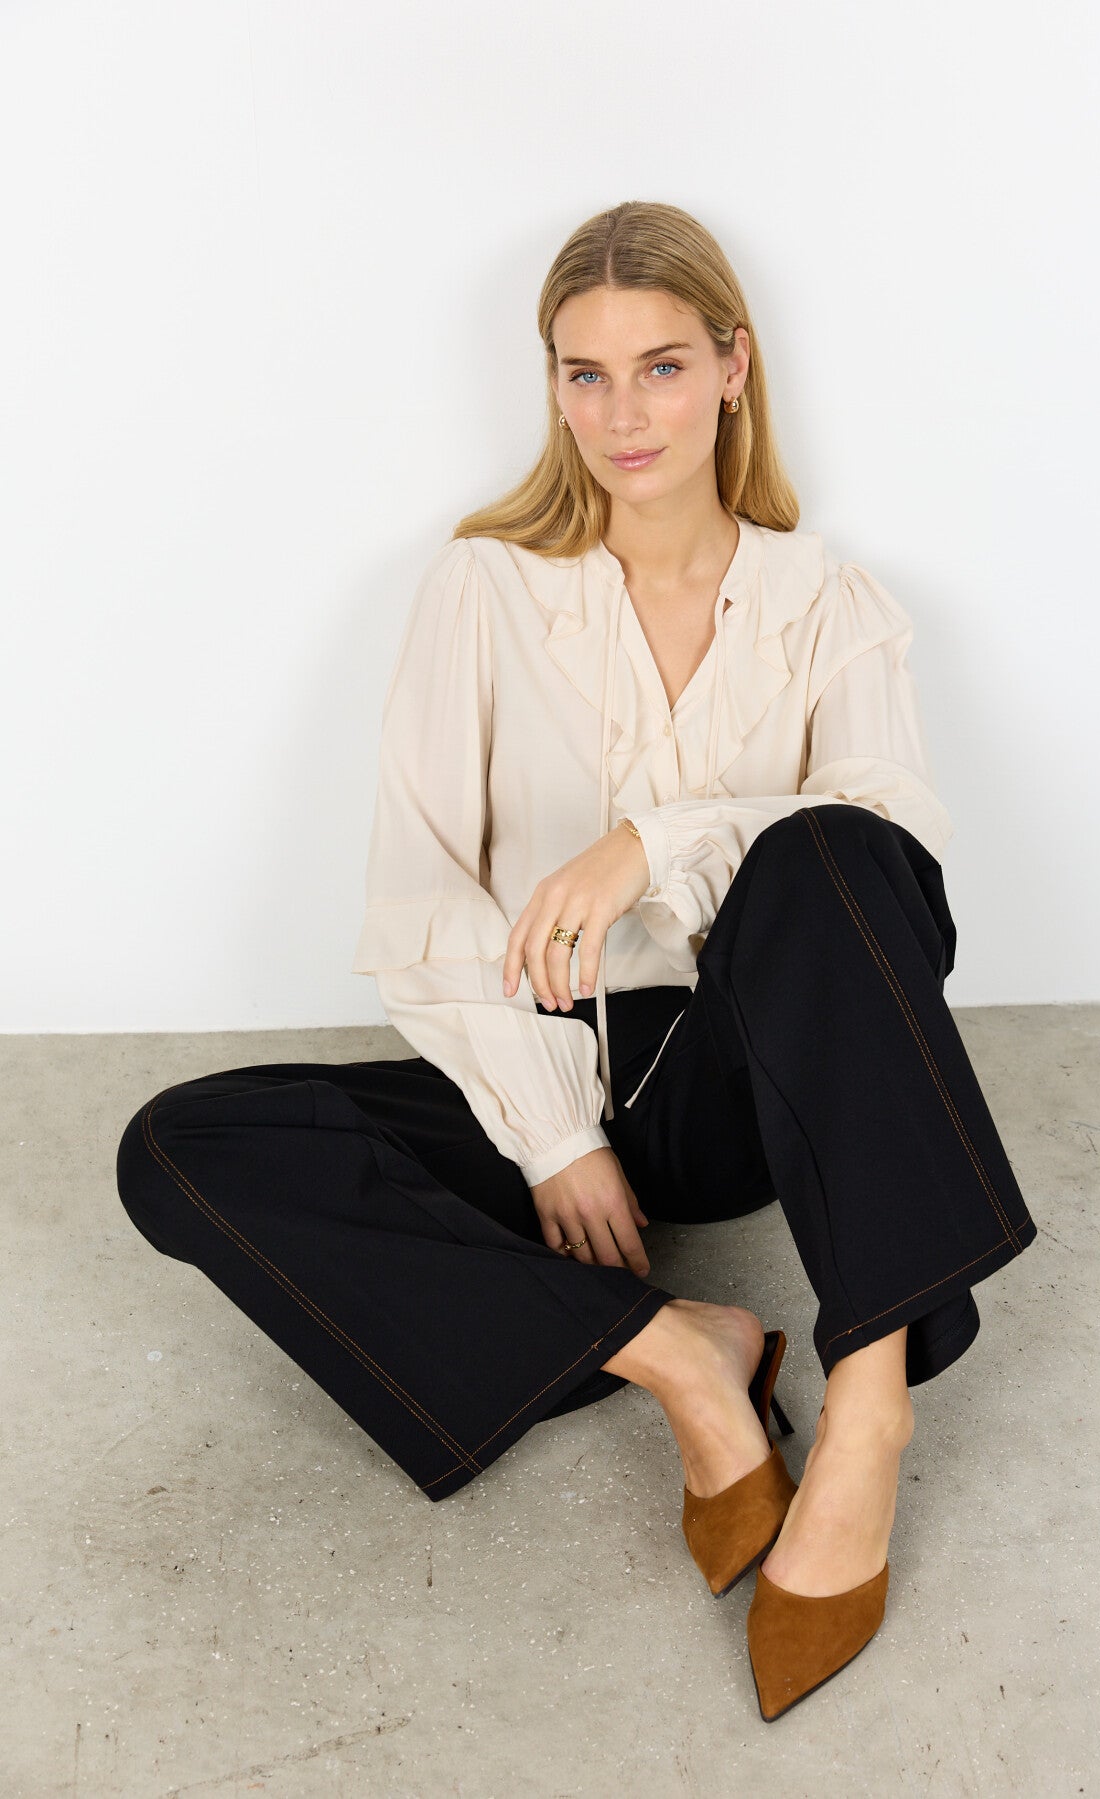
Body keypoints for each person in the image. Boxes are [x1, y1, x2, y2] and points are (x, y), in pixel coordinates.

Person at [115, 199, 1036, 1723]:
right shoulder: (482, 588)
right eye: (586, 374)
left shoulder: (827, 603)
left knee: (832, 853)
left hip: (749, 1085)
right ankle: (681, 1355)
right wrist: (552, 1136)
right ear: (550, 385)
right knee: (179, 1151)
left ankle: (871, 1401)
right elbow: (421, 895)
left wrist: (647, 847)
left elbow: (896, 855)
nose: (623, 416)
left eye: (662, 367)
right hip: (542, 1065)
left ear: (734, 367)